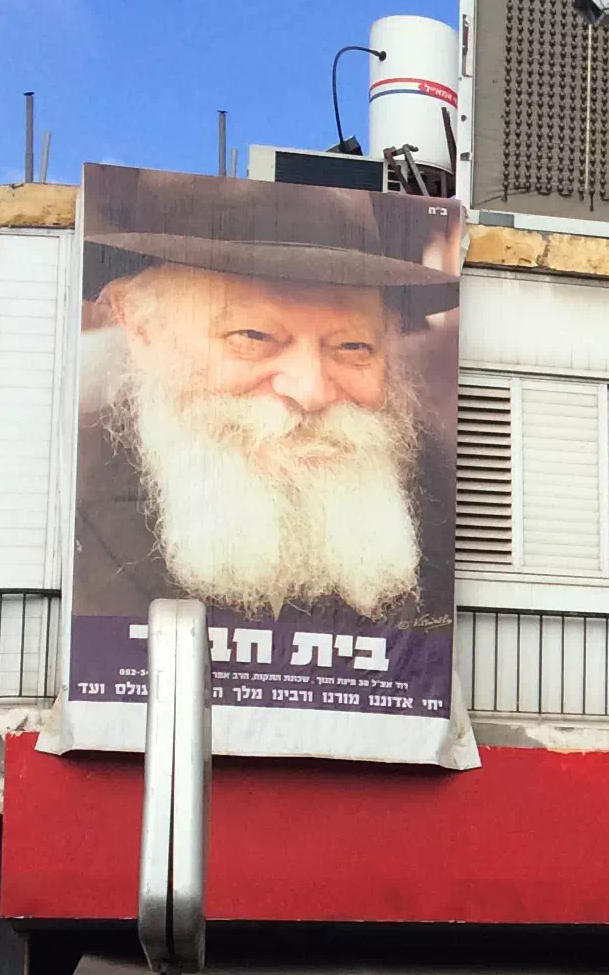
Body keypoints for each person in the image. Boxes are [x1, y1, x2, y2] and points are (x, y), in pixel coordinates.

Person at [71, 167, 458, 634]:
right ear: (141, 328)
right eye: (253, 336)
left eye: (353, 347)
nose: (311, 391)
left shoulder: (438, 501)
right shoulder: (63, 505)